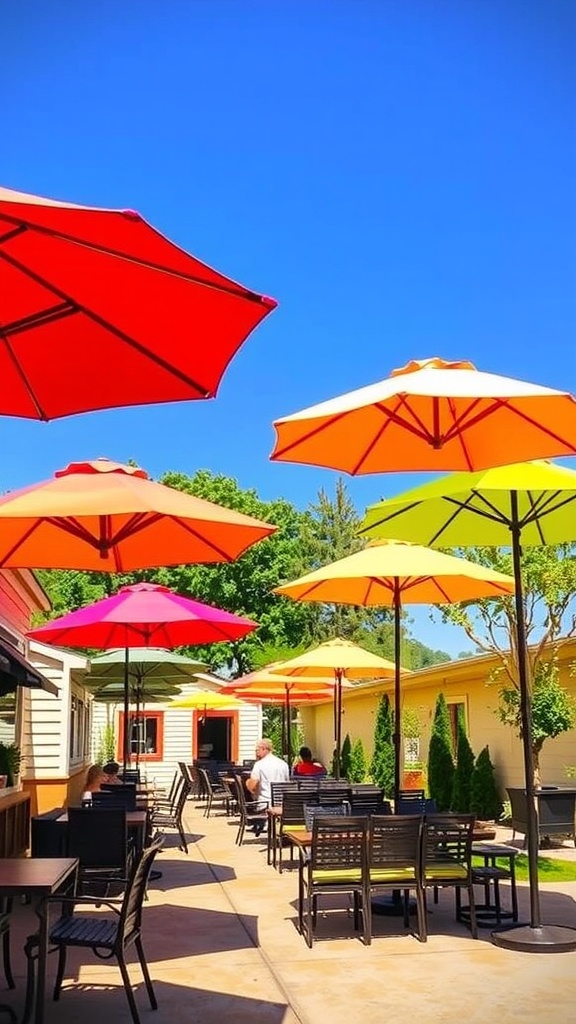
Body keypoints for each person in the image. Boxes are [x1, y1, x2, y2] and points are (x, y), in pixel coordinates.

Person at [246, 738, 289, 807]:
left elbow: (252, 787)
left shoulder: (259, 765)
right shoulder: (284, 764)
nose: (256, 754)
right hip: (281, 804)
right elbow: (287, 784)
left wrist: (247, 782)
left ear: (263, 749)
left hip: (264, 804)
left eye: (257, 750)